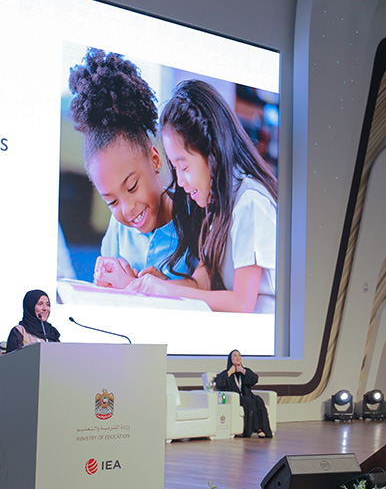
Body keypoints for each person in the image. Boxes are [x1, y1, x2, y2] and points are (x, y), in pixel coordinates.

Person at [126, 79, 278, 314]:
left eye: (184, 167)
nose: (180, 181)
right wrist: (158, 284)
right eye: (175, 168)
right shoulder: (218, 206)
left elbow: (242, 303)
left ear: (213, 152)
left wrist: (166, 290)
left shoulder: (250, 202)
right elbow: (201, 284)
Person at [67, 49, 196, 289]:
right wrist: (105, 283)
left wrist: (167, 288)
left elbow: (209, 292)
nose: (127, 209)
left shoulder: (194, 219)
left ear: (155, 160)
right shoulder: (118, 231)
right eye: (112, 202)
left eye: (132, 187)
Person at [214, 349, 272, 438]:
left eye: (239, 356)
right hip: (236, 398)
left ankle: (265, 429)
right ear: (230, 359)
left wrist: (243, 371)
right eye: (235, 356)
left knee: (258, 400)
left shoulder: (244, 371)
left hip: (247, 396)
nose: (237, 357)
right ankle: (257, 429)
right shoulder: (226, 373)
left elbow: (254, 379)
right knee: (248, 401)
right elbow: (219, 383)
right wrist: (230, 372)